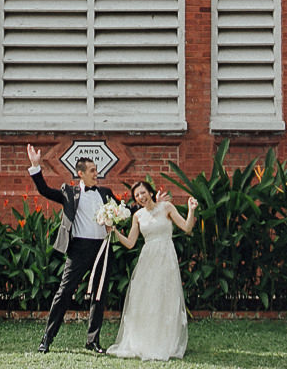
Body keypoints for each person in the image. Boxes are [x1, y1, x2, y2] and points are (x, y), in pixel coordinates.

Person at [27, 143, 122, 354]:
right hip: (79, 248)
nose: (97, 174)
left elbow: (123, 209)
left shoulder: (105, 192)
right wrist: (35, 166)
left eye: (96, 170)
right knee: (64, 293)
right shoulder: (69, 192)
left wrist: (148, 204)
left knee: (99, 295)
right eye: (92, 171)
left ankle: (93, 340)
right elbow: (44, 190)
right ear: (81, 174)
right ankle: (47, 339)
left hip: (102, 249)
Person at [106, 180, 198, 361]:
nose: (141, 197)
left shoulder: (167, 207)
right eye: (137, 195)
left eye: (143, 192)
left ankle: (164, 341)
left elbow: (187, 228)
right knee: (147, 298)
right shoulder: (138, 216)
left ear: (150, 191)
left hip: (166, 257)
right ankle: (145, 340)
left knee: (165, 297)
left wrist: (191, 209)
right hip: (148, 258)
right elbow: (131, 243)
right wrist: (115, 232)